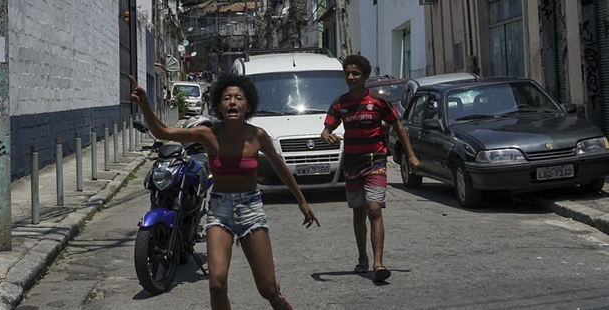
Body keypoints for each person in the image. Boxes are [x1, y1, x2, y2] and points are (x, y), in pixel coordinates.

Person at [130, 73, 319, 310]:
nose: (232, 102)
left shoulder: (257, 135)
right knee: (217, 283)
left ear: (247, 105)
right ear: (219, 105)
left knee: (267, 287)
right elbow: (163, 132)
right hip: (220, 211)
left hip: (251, 210)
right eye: (227, 98)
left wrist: (301, 201)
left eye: (238, 98)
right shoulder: (208, 134)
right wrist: (145, 105)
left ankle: (277, 299)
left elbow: (280, 166)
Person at [320, 55, 420, 283]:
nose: (351, 77)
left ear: (365, 76)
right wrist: (327, 135)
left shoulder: (377, 102)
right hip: (352, 165)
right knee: (358, 212)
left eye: (355, 73)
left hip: (375, 162)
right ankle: (362, 257)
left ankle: (378, 264)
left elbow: (398, 125)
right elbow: (326, 130)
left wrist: (411, 155)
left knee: (374, 209)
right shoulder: (339, 103)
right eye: (347, 73)